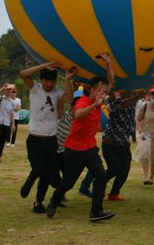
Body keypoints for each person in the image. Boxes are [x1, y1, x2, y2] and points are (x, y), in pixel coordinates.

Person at [46, 53, 116, 222]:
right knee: (68, 183)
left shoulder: (100, 98)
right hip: (74, 150)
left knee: (101, 177)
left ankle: (96, 211)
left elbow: (111, 80)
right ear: (91, 89)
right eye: (100, 90)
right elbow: (77, 115)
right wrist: (95, 105)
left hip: (90, 149)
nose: (103, 93)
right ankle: (54, 201)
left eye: (105, 91)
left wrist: (108, 63)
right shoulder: (83, 101)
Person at [19, 62, 72, 213]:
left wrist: (67, 79)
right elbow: (23, 74)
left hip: (50, 140)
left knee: (51, 178)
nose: (49, 84)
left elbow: (69, 99)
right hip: (34, 139)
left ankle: (38, 203)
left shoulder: (58, 92)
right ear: (41, 80)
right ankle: (30, 179)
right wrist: (45, 65)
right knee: (39, 169)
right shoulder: (35, 88)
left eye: (52, 81)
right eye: (46, 81)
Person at [102, 89, 143, 201]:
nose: (134, 97)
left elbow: (130, 123)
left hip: (123, 142)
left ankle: (114, 193)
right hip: (110, 142)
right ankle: (100, 183)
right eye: (132, 94)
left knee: (125, 168)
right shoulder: (116, 102)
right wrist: (137, 96)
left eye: (135, 94)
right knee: (114, 168)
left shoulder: (133, 105)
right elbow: (123, 103)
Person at [0, 84, 16, 161]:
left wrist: (13, 124)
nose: (9, 91)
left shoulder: (12, 102)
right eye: (7, 89)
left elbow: (12, 114)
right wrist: (1, 88)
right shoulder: (0, 98)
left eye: (10, 89)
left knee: (3, 140)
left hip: (7, 123)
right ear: (5, 90)